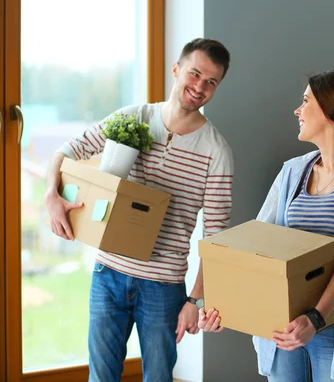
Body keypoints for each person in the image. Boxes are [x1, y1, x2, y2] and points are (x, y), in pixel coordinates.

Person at [44, 38, 234, 382]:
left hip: (163, 285)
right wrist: (50, 197)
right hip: (108, 273)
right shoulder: (134, 118)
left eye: (211, 82)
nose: (200, 87)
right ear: (176, 70)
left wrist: (196, 300)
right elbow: (67, 152)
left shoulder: (216, 151)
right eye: (195, 74)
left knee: (158, 377)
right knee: (101, 377)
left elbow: (216, 237)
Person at [198, 69, 334, 382]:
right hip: (282, 329)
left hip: (333, 329)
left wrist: (315, 318)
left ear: (331, 108)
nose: (297, 110)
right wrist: (223, 305)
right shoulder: (292, 171)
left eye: (305, 101)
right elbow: (255, 245)